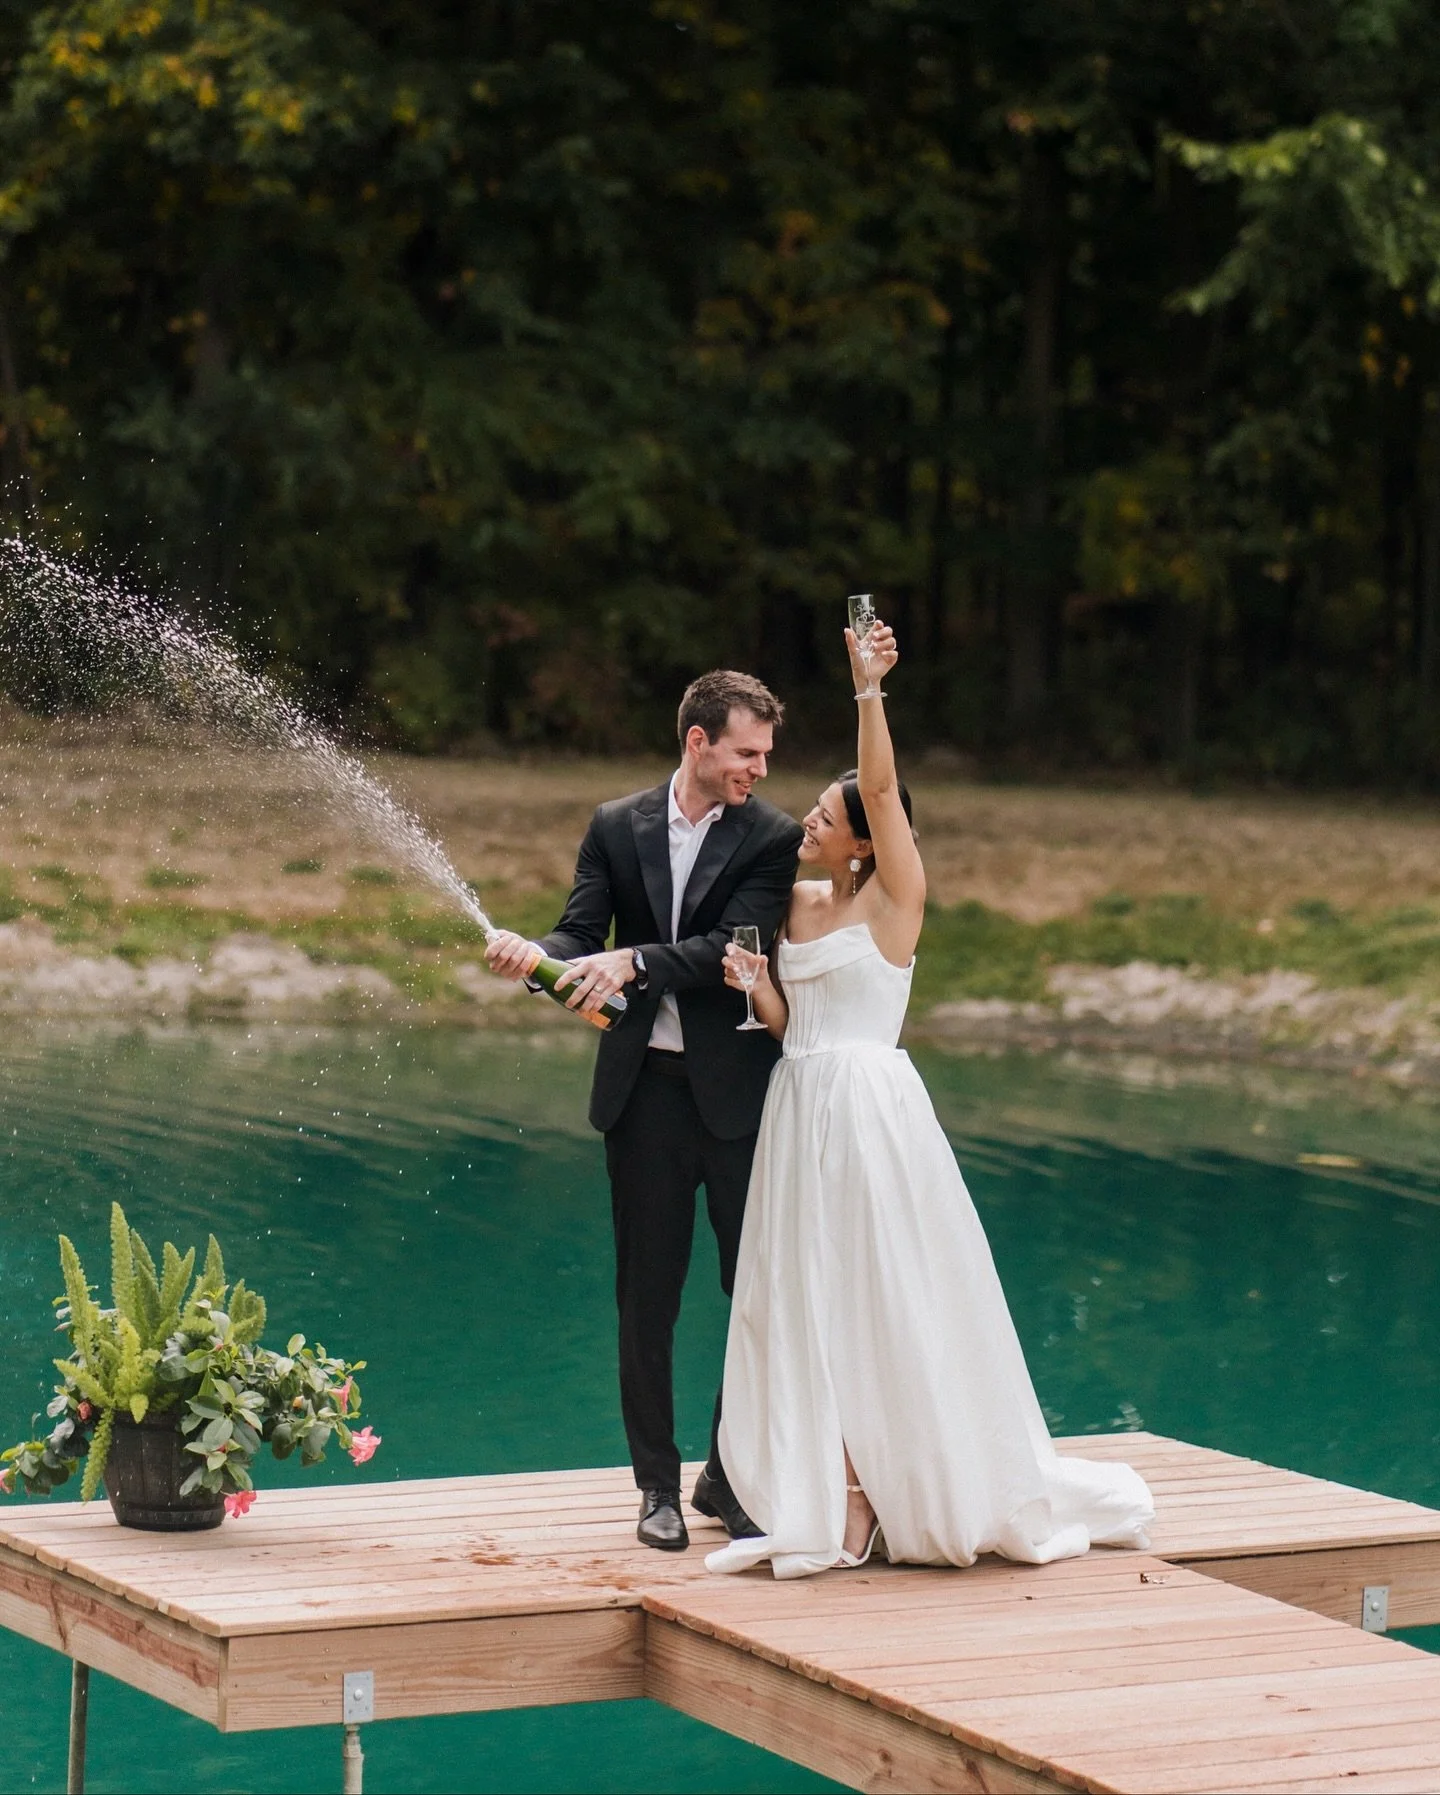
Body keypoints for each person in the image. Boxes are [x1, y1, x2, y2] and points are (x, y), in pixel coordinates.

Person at [706, 619, 1154, 1578]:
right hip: (799, 1108)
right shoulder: (799, 903)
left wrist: (868, 685)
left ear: (871, 835)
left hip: (869, 1115)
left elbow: (875, 785)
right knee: (809, 1302)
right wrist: (756, 982)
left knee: (885, 1298)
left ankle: (903, 1487)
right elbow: (795, 1025)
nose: (811, 823)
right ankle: (839, 1492)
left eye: (828, 816)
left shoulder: (893, 898)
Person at [485, 671, 804, 1552]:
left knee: (753, 1298)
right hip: (643, 1098)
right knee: (646, 1297)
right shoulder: (613, 824)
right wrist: (534, 956)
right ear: (698, 741)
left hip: (740, 1099)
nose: (759, 769)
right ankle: (656, 1486)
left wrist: (632, 963)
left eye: (764, 754)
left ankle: (728, 1477)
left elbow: (729, 949)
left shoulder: (772, 837)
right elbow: (578, 935)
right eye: (747, 751)